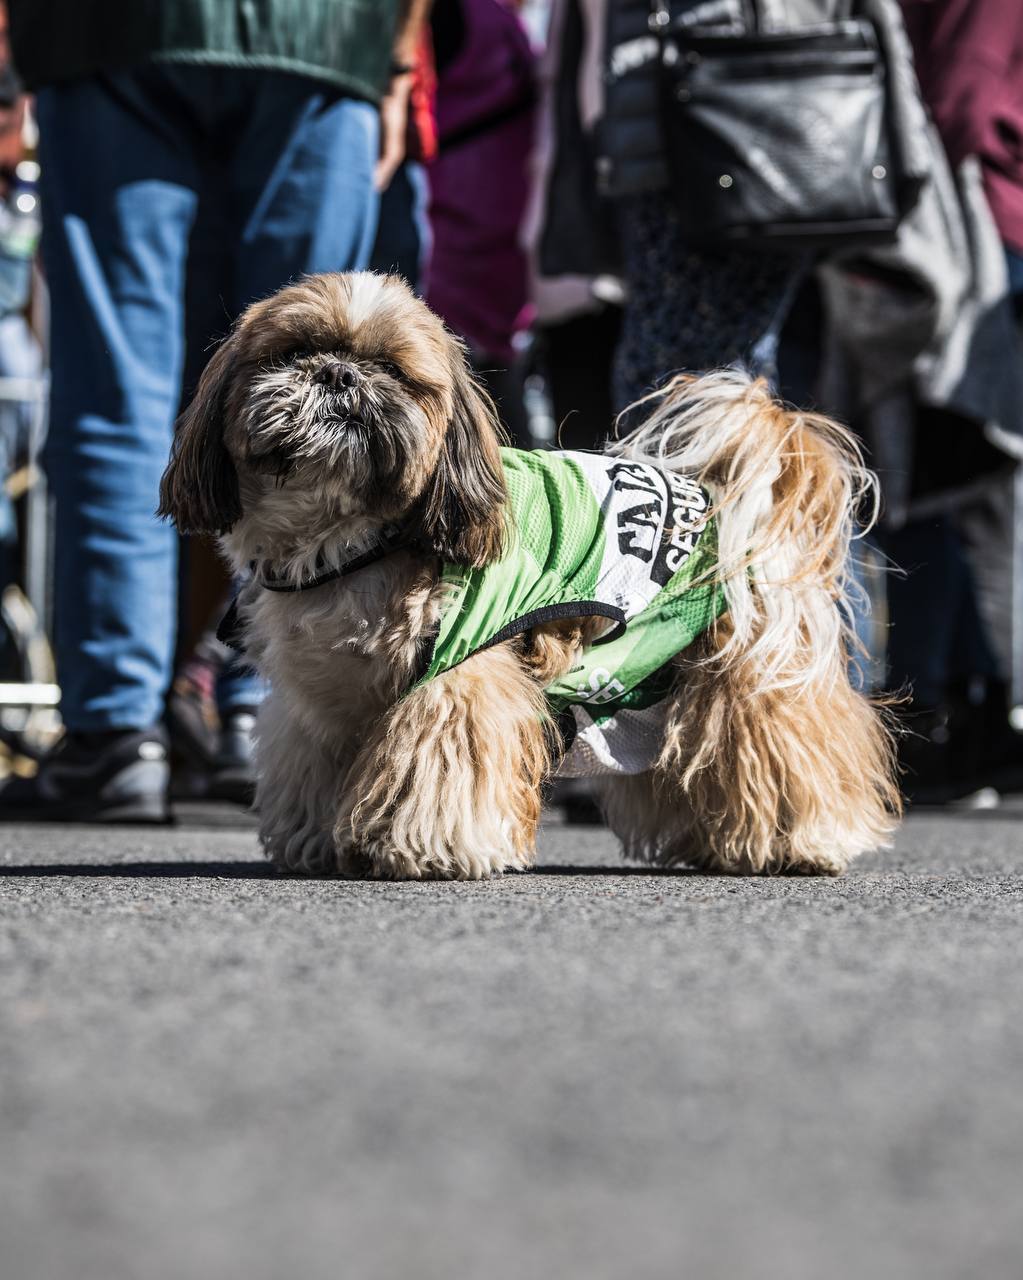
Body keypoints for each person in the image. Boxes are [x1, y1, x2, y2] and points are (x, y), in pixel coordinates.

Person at [1, 0, 429, 822]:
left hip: (110, 37)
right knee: (318, 370)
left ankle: (115, 735)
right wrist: (399, 58)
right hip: (324, 35)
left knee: (116, 393)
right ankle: (254, 701)